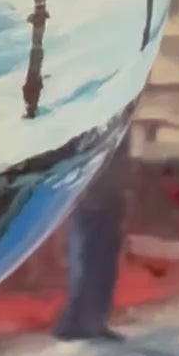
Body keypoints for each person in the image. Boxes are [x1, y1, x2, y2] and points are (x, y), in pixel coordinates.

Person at [54, 131, 132, 342]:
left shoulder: (121, 128)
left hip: (110, 199)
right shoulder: (91, 125)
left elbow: (121, 165)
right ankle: (73, 324)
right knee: (85, 262)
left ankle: (96, 322)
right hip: (89, 200)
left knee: (105, 265)